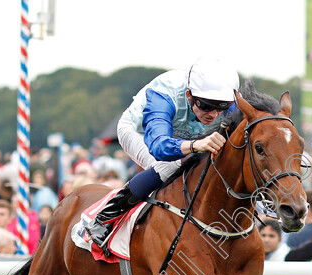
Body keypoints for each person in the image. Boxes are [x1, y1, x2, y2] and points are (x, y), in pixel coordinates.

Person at [86, 57, 240, 254]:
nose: (214, 114)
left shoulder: (230, 99)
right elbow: (159, 147)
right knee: (169, 166)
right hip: (141, 132)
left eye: (222, 107)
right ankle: (105, 217)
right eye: (206, 106)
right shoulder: (164, 94)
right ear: (189, 95)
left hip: (184, 134)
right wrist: (196, 145)